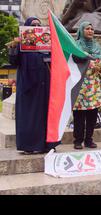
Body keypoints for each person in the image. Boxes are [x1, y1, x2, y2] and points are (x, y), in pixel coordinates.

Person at [7, 17, 60, 154]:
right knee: (29, 117)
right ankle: (29, 146)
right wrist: (14, 46)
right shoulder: (21, 44)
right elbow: (13, 62)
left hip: (45, 86)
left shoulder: (47, 44)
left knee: (45, 115)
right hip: (28, 87)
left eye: (38, 25)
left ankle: (47, 145)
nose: (36, 27)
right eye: (33, 25)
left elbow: (54, 61)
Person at [72, 22, 101, 150]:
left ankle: (89, 140)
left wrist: (100, 67)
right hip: (81, 86)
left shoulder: (97, 46)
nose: (90, 31)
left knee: (92, 114)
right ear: (81, 31)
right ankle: (78, 140)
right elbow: (72, 62)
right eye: (87, 28)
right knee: (79, 115)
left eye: (92, 29)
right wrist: (89, 63)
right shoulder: (76, 46)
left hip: (95, 86)